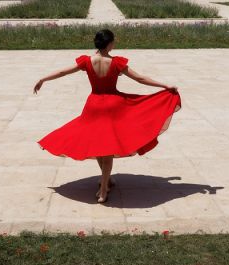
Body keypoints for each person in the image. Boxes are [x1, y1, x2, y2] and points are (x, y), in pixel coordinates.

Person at [33, 29, 181, 204]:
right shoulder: (116, 62)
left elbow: (62, 72)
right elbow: (140, 79)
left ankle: (106, 181)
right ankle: (103, 189)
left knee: (99, 145)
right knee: (108, 147)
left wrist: (43, 79)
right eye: (113, 41)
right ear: (109, 44)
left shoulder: (87, 61)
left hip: (93, 106)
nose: (115, 43)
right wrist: (165, 86)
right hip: (113, 107)